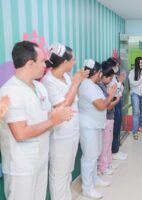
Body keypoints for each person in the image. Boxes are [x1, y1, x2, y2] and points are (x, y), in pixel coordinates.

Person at [0, 41, 73, 200]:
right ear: (30, 63)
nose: (45, 65)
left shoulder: (39, 87)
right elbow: (20, 133)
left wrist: (55, 114)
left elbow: (44, 115)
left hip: (40, 159)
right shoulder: (9, 92)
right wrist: (54, 120)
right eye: (42, 61)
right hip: (21, 166)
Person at [41, 43, 88, 200]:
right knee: (59, 175)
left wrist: (76, 82)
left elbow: (74, 97)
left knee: (67, 172)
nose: (74, 62)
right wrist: (75, 83)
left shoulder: (67, 77)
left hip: (73, 131)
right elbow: (62, 106)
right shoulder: (48, 81)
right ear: (64, 61)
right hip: (60, 136)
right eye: (72, 59)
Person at [78, 59, 117, 199]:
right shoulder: (87, 85)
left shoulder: (93, 85)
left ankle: (94, 179)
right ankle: (87, 188)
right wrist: (111, 95)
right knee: (89, 157)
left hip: (96, 125)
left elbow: (103, 104)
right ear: (98, 72)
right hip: (88, 126)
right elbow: (101, 105)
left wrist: (109, 97)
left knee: (94, 155)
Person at [97, 61, 121, 175]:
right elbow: (107, 105)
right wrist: (116, 99)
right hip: (106, 118)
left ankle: (108, 163)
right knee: (105, 144)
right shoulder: (100, 87)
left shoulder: (104, 86)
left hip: (109, 118)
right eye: (110, 78)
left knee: (108, 142)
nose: (111, 80)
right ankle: (103, 166)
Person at [106, 57, 128, 160]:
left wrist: (120, 82)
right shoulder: (109, 78)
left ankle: (116, 149)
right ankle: (114, 151)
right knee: (114, 128)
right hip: (113, 103)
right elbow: (113, 91)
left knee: (118, 126)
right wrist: (119, 83)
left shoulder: (115, 77)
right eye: (116, 65)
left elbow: (120, 90)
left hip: (118, 102)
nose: (117, 67)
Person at [128, 57, 142, 140]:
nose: (141, 64)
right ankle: (135, 132)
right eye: (140, 63)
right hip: (135, 93)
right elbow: (133, 83)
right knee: (136, 112)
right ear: (137, 63)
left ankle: (140, 126)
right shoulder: (132, 72)